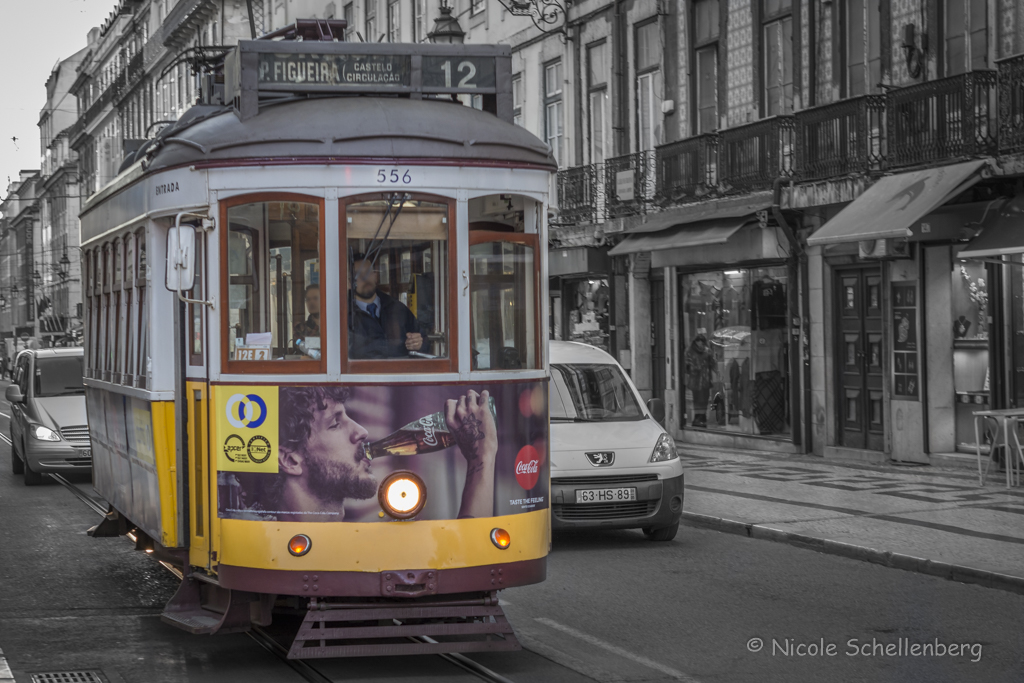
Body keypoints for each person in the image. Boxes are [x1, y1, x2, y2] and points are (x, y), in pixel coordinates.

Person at [239, 386, 496, 522]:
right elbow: (471, 560)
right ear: (290, 459)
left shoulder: (351, 541)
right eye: (335, 423)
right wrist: (482, 457)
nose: (361, 431)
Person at [349, 257, 425, 359]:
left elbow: (423, 343)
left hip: (399, 373)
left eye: (368, 272)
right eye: (358, 274)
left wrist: (418, 344)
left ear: (376, 276)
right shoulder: (343, 314)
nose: (365, 278)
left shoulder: (398, 309)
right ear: (349, 282)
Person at [685, 334, 716, 428]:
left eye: (702, 341)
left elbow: (713, 363)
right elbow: (687, 366)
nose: (700, 343)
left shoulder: (707, 351)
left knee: (705, 400)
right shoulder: (690, 351)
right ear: (695, 341)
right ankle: (697, 417)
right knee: (697, 399)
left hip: (705, 380)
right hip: (695, 380)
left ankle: (702, 417)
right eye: (698, 341)